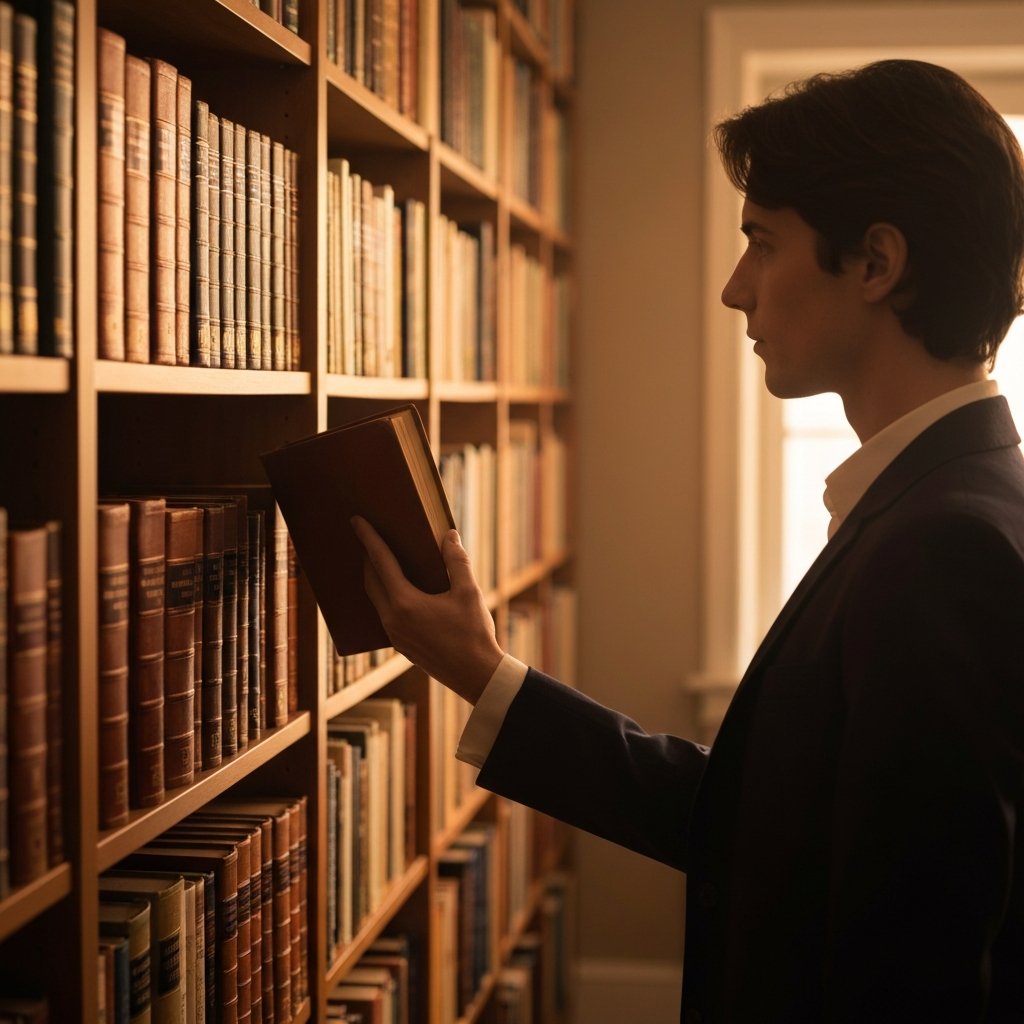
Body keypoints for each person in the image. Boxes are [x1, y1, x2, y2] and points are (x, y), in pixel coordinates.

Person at [353, 60, 1024, 1022]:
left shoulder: (944, 549)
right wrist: (483, 670)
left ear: (877, 263)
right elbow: (763, 825)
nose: (733, 288)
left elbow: (913, 977)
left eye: (761, 242)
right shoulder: (946, 505)